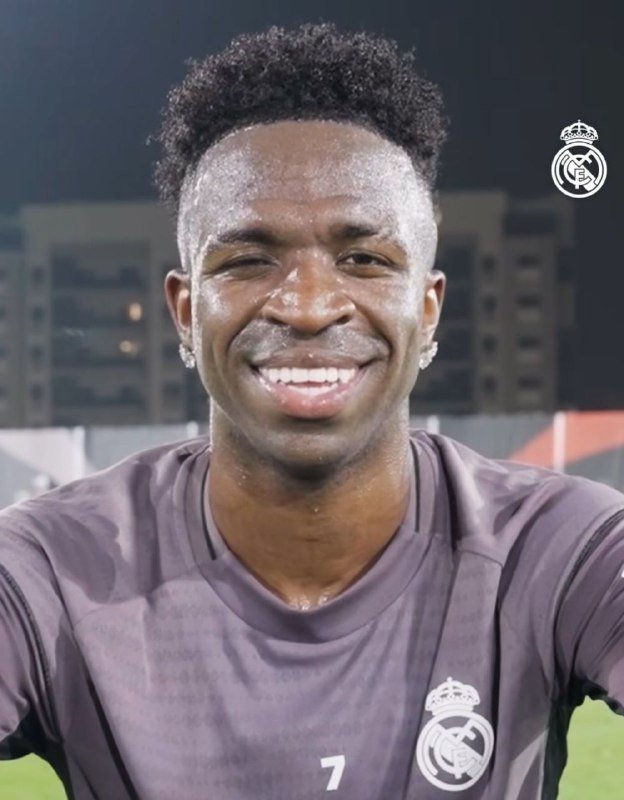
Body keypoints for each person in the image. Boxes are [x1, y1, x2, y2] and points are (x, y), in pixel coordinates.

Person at [1, 22, 623, 800]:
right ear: (186, 314)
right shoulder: (50, 569)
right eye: (248, 260)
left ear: (428, 311)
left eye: (364, 259)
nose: (307, 306)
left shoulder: (558, 548)